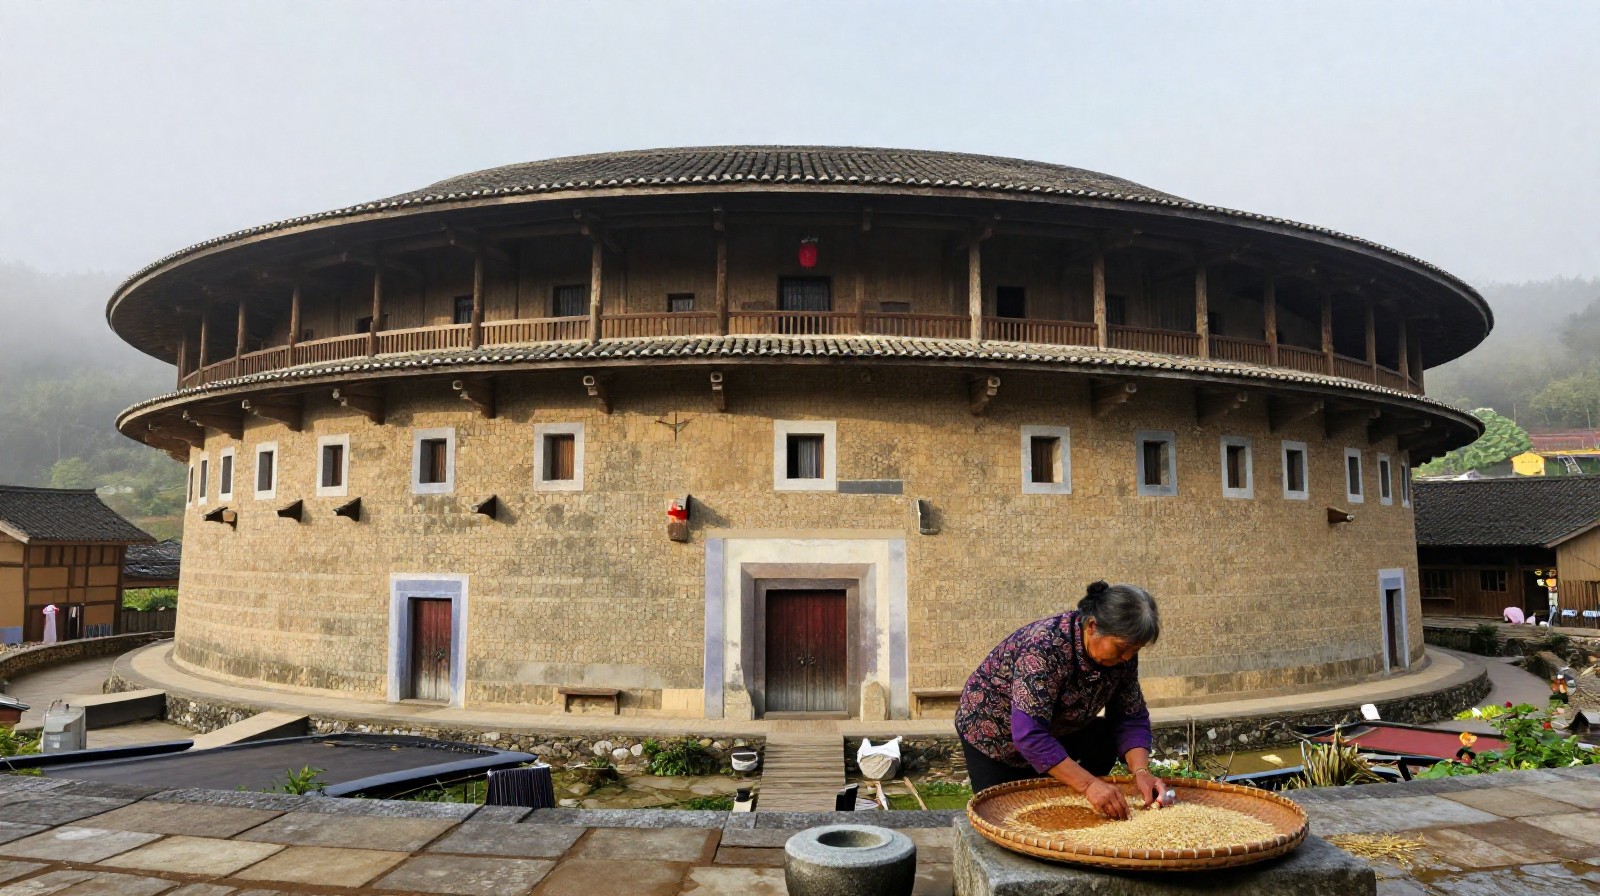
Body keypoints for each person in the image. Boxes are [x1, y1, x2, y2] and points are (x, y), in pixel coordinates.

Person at [955, 581, 1162, 819]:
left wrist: (1141, 772)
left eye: (1134, 650)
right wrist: (1088, 784)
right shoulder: (1045, 646)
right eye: (1122, 647)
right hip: (994, 735)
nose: (1127, 657)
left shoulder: (1121, 659)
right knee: (1003, 816)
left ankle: (1075, 800)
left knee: (1102, 740)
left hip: (1056, 730)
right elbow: (1029, 735)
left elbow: (1130, 715)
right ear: (1092, 626)